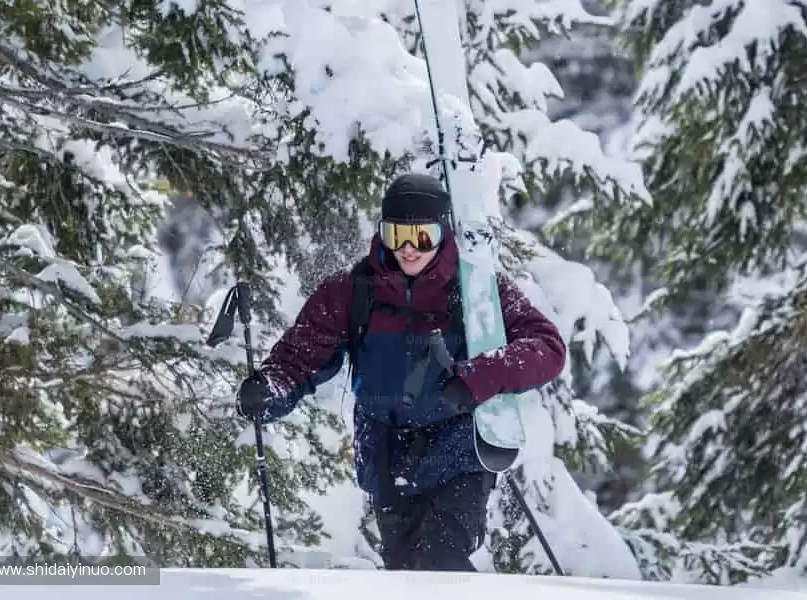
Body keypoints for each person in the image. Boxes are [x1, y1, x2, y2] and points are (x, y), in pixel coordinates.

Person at [233, 172, 566, 571]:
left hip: (458, 452)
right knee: (405, 574)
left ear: (442, 232)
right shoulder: (352, 291)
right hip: (387, 457)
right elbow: (302, 355)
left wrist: (476, 378)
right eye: (396, 236)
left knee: (440, 561)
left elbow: (547, 346)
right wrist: (271, 387)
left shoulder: (477, 289)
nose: (408, 249)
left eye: (421, 237)